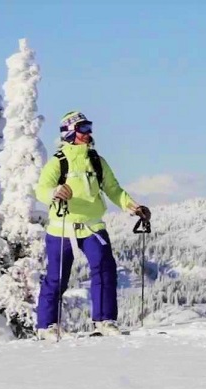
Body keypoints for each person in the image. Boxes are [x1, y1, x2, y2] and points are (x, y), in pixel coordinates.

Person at [34, 111, 151, 339]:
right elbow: (41, 190)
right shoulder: (58, 162)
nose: (89, 133)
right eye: (83, 128)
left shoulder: (97, 161)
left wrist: (135, 207)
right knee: (56, 277)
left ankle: (105, 321)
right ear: (70, 132)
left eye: (89, 127)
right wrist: (55, 192)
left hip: (92, 227)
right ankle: (47, 326)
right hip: (62, 228)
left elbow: (114, 190)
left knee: (106, 270)